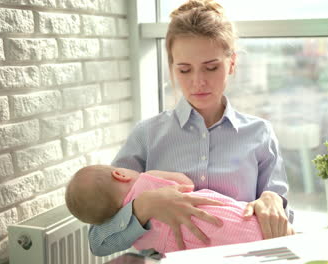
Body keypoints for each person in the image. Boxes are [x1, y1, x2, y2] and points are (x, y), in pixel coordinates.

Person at [88, 0, 294, 257]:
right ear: (172, 68)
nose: (198, 81)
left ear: (231, 63)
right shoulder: (147, 136)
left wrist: (274, 202)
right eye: (184, 70)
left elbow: (284, 225)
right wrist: (144, 206)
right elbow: (98, 242)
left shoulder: (260, 133)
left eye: (211, 67)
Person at [66, 165, 265, 253]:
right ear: (120, 174)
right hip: (222, 218)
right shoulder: (147, 179)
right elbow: (186, 184)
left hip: (197, 251)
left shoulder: (136, 238)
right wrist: (145, 204)